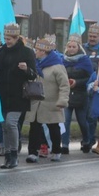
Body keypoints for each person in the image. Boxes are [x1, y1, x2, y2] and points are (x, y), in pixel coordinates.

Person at [0, 23, 37, 169]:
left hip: (19, 95)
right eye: (6, 38)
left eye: (10, 39)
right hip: (3, 94)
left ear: (17, 38)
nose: (7, 41)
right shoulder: (1, 52)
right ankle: (7, 156)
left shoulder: (27, 52)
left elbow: (33, 75)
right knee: (4, 125)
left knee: (11, 123)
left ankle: (14, 154)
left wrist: (26, 69)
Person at [25, 35, 69, 163]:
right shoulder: (35, 64)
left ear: (43, 52)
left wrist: (62, 100)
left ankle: (56, 151)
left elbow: (64, 85)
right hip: (36, 103)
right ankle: (33, 152)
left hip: (51, 103)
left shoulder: (57, 67)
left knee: (53, 128)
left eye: (37, 50)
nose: (35, 52)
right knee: (34, 128)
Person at [61, 34, 93, 154]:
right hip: (67, 94)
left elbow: (90, 78)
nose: (71, 49)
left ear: (78, 47)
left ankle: (86, 141)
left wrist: (77, 82)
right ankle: (64, 144)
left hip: (81, 95)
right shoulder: (62, 60)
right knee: (65, 120)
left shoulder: (85, 61)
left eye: (74, 46)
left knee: (82, 122)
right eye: (69, 46)